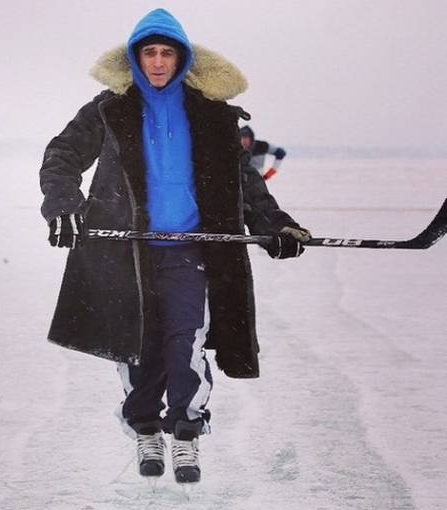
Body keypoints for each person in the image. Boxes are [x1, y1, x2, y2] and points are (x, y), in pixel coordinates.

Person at [39, 9, 310, 484]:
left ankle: (186, 430)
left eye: (167, 53)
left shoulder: (210, 114)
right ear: (135, 57)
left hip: (192, 248)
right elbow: (62, 154)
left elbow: (243, 181)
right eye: (150, 52)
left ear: (182, 59)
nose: (158, 62)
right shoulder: (109, 108)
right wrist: (63, 203)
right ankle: (144, 424)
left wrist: (276, 225)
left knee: (186, 339)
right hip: (128, 251)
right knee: (139, 346)